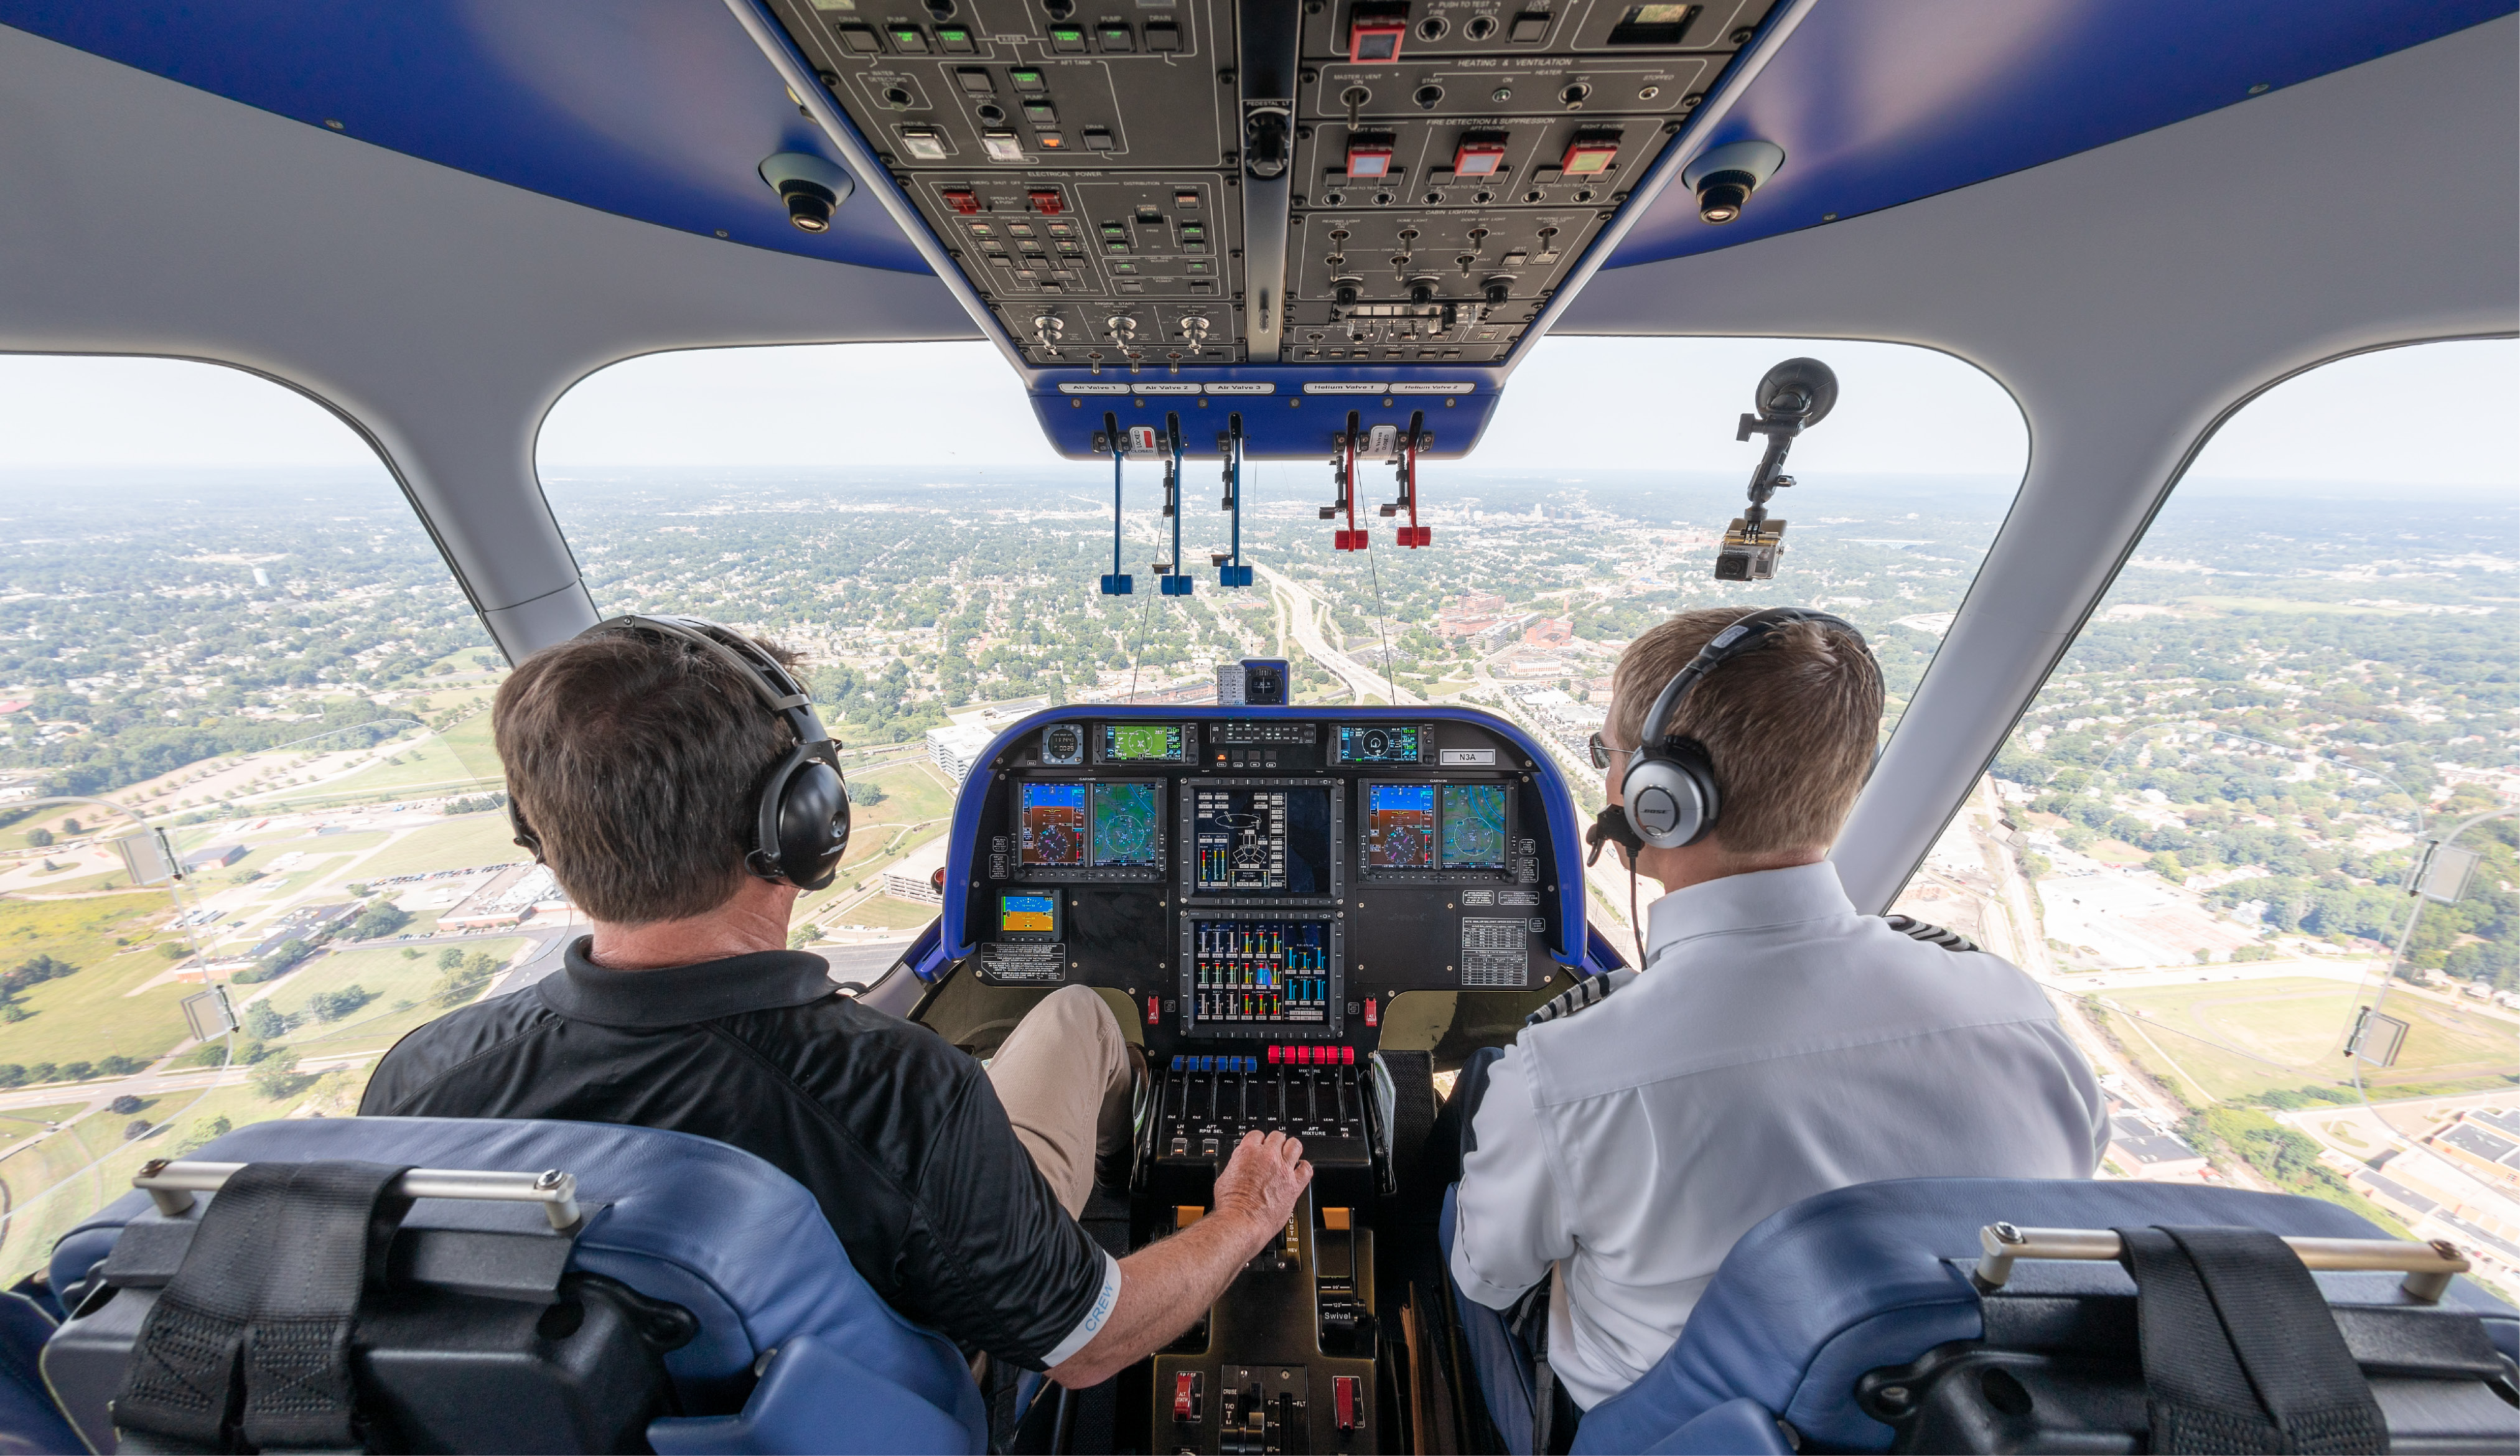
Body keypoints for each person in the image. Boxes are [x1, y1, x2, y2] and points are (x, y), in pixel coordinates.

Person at [362, 617, 1311, 1389]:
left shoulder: (423, 1076)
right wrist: (1243, 1216)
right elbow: (1091, 1344)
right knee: (1074, 1016)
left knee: (1064, 1011)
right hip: (896, 1388)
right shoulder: (899, 1093)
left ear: (540, 834)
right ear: (803, 822)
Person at [1446, 607, 2107, 1434]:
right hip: (1950, 1428)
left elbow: (1488, 1279)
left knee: (1453, 1217)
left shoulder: (1567, 1072)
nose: (1611, 781)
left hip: (1662, 1433)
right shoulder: (2015, 1011)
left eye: (1610, 756)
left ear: (1662, 801)